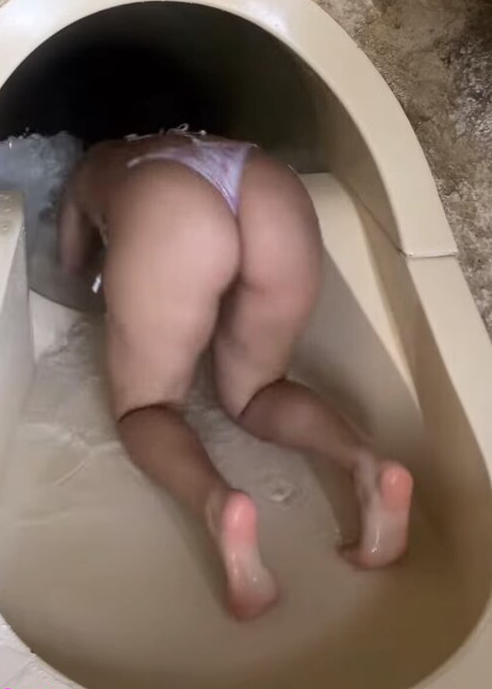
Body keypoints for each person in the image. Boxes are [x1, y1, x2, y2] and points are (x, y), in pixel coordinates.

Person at [57, 126, 414, 620]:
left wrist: (120, 284)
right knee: (259, 389)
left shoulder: (96, 162)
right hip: (266, 186)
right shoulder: (198, 138)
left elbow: (70, 266)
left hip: (173, 212)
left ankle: (219, 505)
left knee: (147, 409)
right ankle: (368, 465)